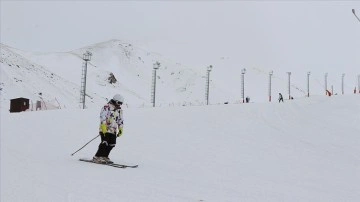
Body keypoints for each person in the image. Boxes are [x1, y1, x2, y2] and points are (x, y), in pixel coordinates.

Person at [93, 94, 124, 164]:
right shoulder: (106, 107)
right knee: (105, 143)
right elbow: (102, 117)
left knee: (112, 144)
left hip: (113, 130)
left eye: (121, 103)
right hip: (105, 129)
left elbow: (120, 120)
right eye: (119, 103)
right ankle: (97, 157)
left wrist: (121, 129)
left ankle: (104, 156)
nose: (120, 105)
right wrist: (103, 126)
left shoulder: (119, 110)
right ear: (115, 101)